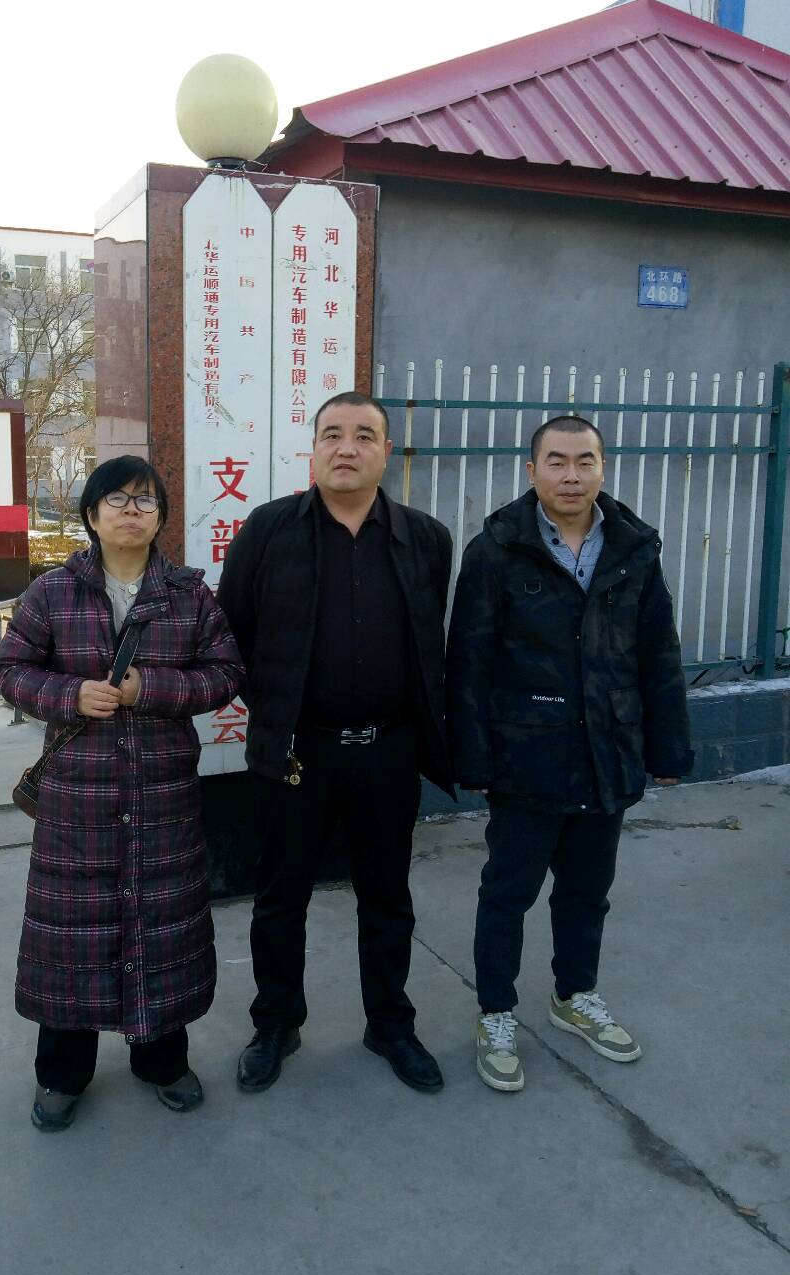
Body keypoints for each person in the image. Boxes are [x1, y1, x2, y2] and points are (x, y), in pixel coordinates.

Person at [0, 456, 244, 1130]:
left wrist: (148, 689)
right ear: (92, 514)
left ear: (161, 517)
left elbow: (225, 673)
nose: (132, 511)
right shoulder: (52, 592)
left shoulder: (188, 596)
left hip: (163, 796)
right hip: (78, 800)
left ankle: (161, 1062)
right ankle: (61, 1073)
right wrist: (69, 694)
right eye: (117, 499)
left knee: (161, 931)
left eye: (146, 500)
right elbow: (9, 669)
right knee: (71, 939)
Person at [446, 415, 693, 1093]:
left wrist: (668, 745)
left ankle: (574, 994)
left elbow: (659, 652)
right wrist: (473, 757)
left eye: (585, 461)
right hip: (525, 756)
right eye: (556, 461)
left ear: (602, 468)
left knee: (587, 891)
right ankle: (497, 1012)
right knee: (508, 893)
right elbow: (469, 660)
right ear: (532, 471)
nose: (572, 475)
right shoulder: (497, 550)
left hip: (607, 751)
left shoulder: (634, 549)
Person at [217, 393, 453, 1095]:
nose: (347, 448)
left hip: (389, 752)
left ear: (386, 451)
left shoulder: (425, 538)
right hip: (297, 753)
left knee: (387, 897)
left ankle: (391, 1025)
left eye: (364, 435)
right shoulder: (269, 531)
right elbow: (233, 633)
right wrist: (277, 712)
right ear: (314, 448)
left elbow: (429, 641)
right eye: (332, 434)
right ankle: (276, 1024)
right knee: (279, 898)